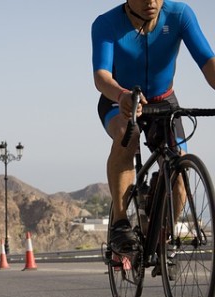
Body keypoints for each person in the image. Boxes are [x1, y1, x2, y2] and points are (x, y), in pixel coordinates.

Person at [91, 0, 215, 254]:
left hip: (164, 101)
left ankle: (162, 235)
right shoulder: (106, 24)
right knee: (128, 134)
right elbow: (101, 77)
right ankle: (121, 222)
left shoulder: (180, 15)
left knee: (179, 171)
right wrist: (122, 95)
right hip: (120, 99)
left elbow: (208, 62)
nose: (151, 2)